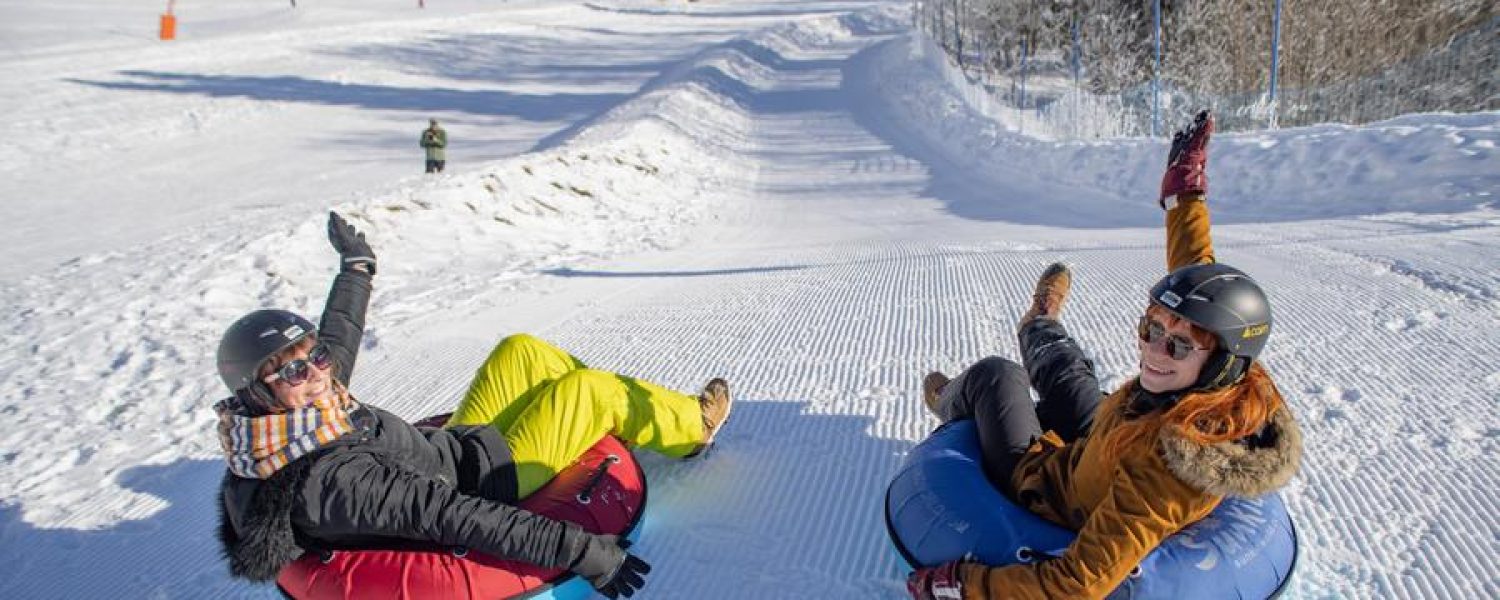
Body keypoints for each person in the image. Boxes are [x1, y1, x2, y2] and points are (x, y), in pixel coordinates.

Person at [212, 212, 733, 599]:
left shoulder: (297, 420)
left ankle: (616, 415)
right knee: (590, 391)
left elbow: (337, 343)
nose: (318, 373)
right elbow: (456, 517)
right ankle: (693, 429)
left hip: (454, 448)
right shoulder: (334, 480)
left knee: (521, 351)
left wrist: (357, 268)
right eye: (293, 370)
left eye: (315, 356)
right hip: (488, 480)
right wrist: (584, 552)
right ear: (257, 393)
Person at [907, 111, 1303, 599]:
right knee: (1066, 368)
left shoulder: (1164, 472)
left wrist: (961, 585)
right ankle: (1041, 319)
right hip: (1105, 443)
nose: (1153, 350)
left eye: (1178, 344)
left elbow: (1077, 585)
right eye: (1151, 328)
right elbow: (1195, 268)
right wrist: (1185, 193)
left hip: (1047, 485)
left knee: (996, 375)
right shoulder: (1231, 379)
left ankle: (950, 399)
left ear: (1221, 362)